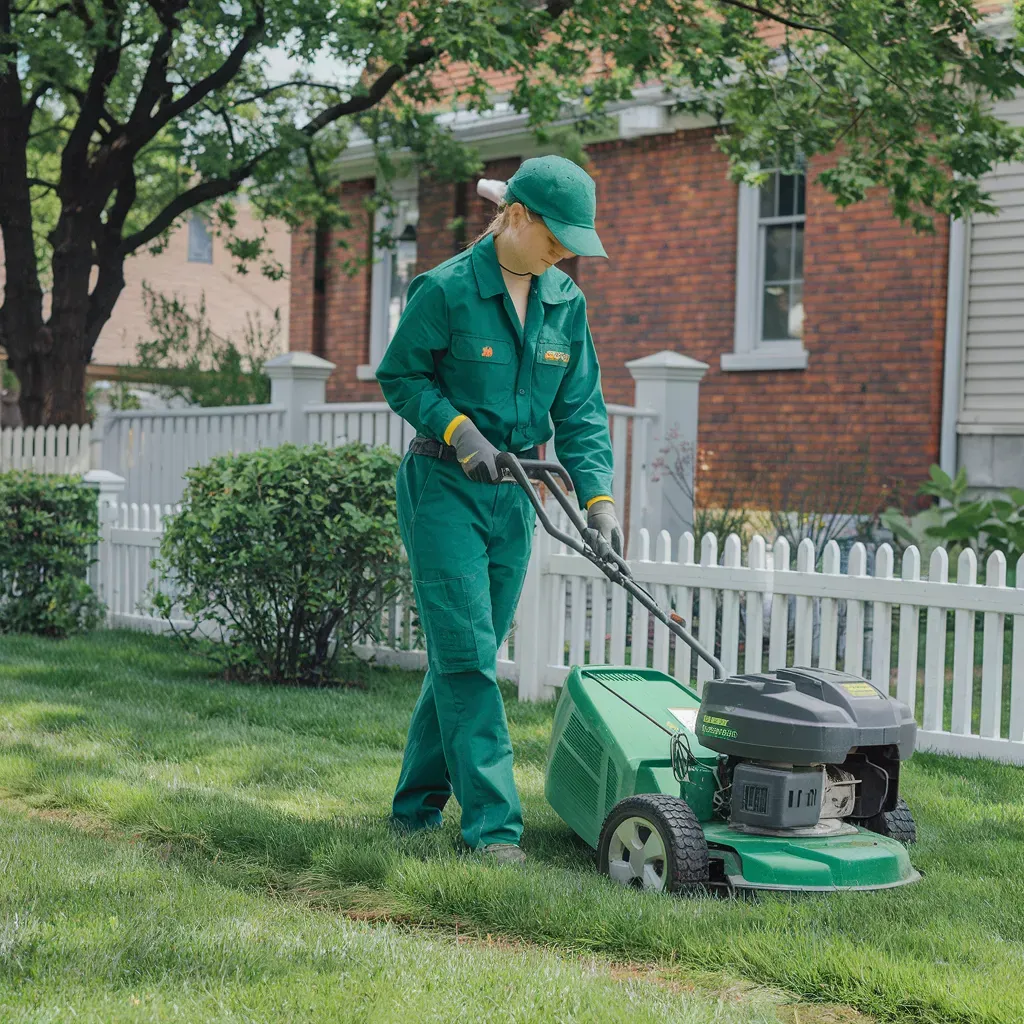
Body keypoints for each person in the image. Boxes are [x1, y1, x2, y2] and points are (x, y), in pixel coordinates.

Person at [376, 155, 623, 864]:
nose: (565, 252)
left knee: (466, 655)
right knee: (469, 661)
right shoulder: (447, 290)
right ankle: (493, 828)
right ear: (517, 216)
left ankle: (413, 811)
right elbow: (401, 375)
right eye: (556, 237)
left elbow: (580, 411)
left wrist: (599, 500)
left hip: (516, 496)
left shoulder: (564, 304)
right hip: (443, 490)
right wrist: (460, 431)